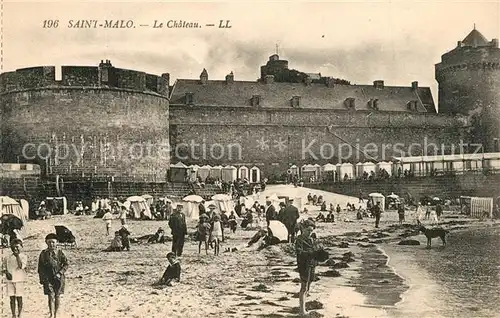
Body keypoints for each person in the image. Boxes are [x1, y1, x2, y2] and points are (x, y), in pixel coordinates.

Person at [38, 233, 69, 318]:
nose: (51, 244)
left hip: (59, 278)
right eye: (49, 242)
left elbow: (66, 264)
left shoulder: (60, 252)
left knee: (57, 295)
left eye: (53, 242)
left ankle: (56, 313)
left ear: (57, 242)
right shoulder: (43, 253)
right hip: (48, 278)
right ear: (46, 242)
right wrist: (42, 278)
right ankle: (51, 314)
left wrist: (60, 273)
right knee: (50, 295)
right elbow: (40, 267)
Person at [295, 219, 319, 316]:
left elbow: (317, 249)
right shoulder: (299, 240)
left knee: (308, 285)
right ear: (303, 229)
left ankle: (303, 305)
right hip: (303, 265)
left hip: (312, 264)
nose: (310, 233)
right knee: (303, 287)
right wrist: (310, 253)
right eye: (308, 230)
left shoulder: (312, 239)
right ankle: (302, 310)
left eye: (311, 231)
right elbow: (299, 252)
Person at [2, 238, 27, 318]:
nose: (15, 249)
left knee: (19, 297)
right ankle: (13, 315)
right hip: (10, 280)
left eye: (17, 247)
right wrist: (6, 273)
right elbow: (3, 268)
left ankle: (20, 314)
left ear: (21, 247)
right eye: (13, 247)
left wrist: (17, 256)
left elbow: (21, 266)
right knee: (11, 298)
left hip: (19, 280)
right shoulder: (7, 257)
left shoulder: (23, 256)